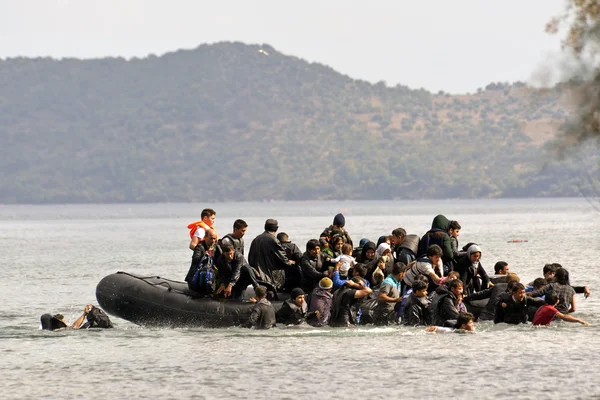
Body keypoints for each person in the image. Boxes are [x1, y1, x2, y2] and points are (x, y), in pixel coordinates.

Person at [247, 218, 294, 291]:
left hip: (257, 275)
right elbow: (283, 258)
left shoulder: (256, 239)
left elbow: (250, 258)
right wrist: (290, 262)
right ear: (276, 228)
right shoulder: (274, 240)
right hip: (271, 276)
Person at [185, 229, 220, 295]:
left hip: (210, 278)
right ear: (205, 237)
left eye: (214, 239)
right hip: (196, 278)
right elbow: (195, 259)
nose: (213, 241)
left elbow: (220, 260)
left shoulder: (216, 247)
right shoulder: (199, 247)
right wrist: (204, 256)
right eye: (211, 238)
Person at [41, 304, 113, 331]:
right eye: (61, 318)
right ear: (59, 322)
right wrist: (84, 314)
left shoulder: (54, 330)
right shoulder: (60, 329)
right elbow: (74, 326)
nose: (64, 320)